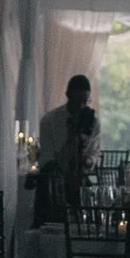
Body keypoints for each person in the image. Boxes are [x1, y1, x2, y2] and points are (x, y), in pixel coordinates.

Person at [34, 72, 100, 219]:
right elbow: (49, 158)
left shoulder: (92, 122)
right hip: (52, 181)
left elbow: (95, 153)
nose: (81, 106)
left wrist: (87, 160)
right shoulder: (50, 120)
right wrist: (72, 134)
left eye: (85, 101)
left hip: (79, 180)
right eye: (77, 101)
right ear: (68, 96)